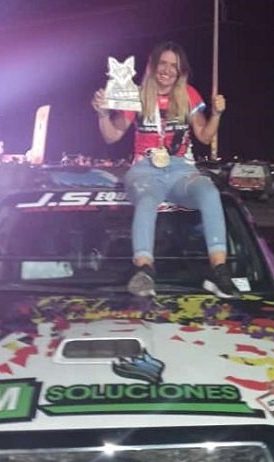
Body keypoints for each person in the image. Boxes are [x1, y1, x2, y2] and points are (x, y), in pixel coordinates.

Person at [91, 41, 237, 298]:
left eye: (174, 66)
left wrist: (216, 114)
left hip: (181, 169)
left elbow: (204, 136)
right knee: (147, 200)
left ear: (181, 71)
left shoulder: (189, 95)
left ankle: (219, 270)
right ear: (152, 65)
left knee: (209, 192)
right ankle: (144, 270)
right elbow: (112, 135)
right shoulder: (136, 95)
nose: (167, 70)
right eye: (163, 64)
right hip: (145, 169)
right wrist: (103, 115)